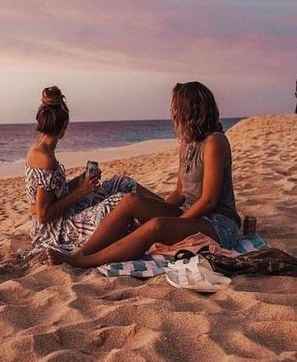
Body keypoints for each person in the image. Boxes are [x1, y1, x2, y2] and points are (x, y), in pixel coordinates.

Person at [49, 81, 241, 267]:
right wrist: (156, 210)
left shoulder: (215, 142)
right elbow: (180, 191)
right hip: (192, 214)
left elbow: (209, 201)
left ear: (190, 110)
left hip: (218, 225)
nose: (172, 113)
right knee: (132, 200)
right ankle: (81, 253)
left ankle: (85, 262)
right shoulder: (187, 144)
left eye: (176, 108)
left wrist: (172, 222)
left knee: (157, 225)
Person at [25, 86, 139, 253]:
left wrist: (80, 181)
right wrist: (81, 192)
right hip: (57, 230)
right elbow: (44, 215)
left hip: (64, 215)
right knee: (119, 201)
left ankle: (166, 211)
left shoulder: (44, 151)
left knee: (122, 183)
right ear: (64, 124)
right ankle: (162, 223)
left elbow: (54, 195)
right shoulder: (44, 158)